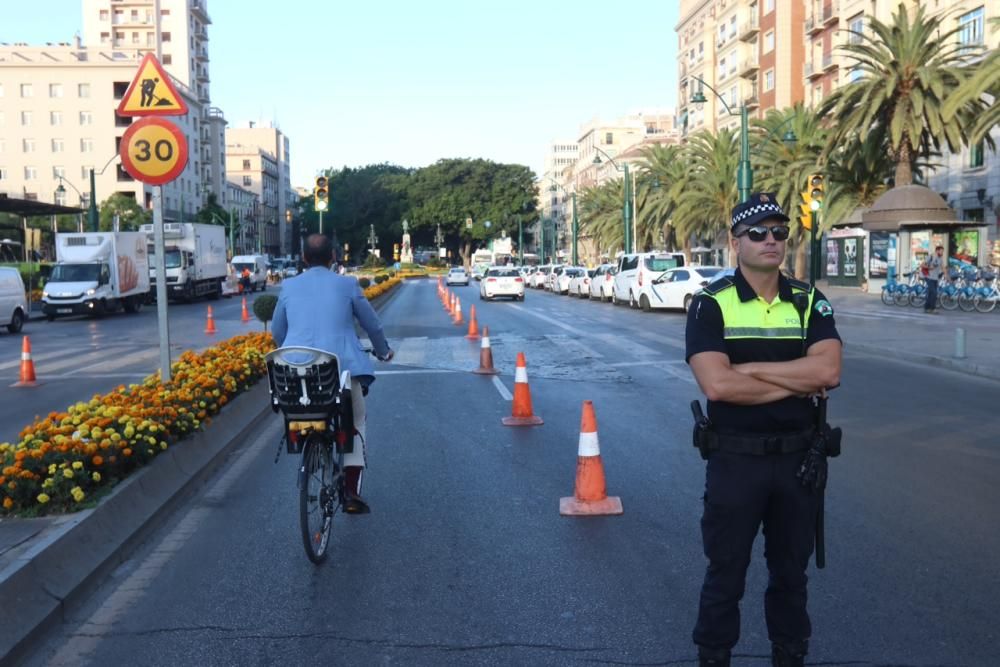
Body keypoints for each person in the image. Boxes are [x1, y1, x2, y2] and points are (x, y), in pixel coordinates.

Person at [685, 193, 843, 667]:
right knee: (726, 572)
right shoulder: (710, 303)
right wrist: (797, 379)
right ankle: (714, 656)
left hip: (799, 462)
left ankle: (789, 655)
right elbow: (717, 383)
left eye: (778, 232)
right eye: (757, 232)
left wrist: (749, 370)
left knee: (791, 574)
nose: (770, 240)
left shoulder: (810, 300)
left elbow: (829, 373)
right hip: (735, 462)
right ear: (736, 241)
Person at [272, 234, 394, 514]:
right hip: (341, 370)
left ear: (303, 258)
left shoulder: (289, 286)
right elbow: (372, 326)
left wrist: (290, 353)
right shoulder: (347, 284)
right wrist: (384, 351)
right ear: (334, 257)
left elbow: (277, 331)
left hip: (295, 373)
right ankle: (350, 491)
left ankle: (309, 446)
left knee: (303, 408)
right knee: (356, 421)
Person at [921, 245, 945, 313]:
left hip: (935, 278)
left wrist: (947, 276)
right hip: (928, 277)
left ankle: (926, 308)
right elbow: (922, 265)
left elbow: (943, 267)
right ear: (937, 251)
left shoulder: (940, 259)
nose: (942, 252)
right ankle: (932, 308)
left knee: (931, 293)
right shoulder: (930, 257)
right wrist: (929, 267)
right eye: (941, 251)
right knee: (934, 293)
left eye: (943, 251)